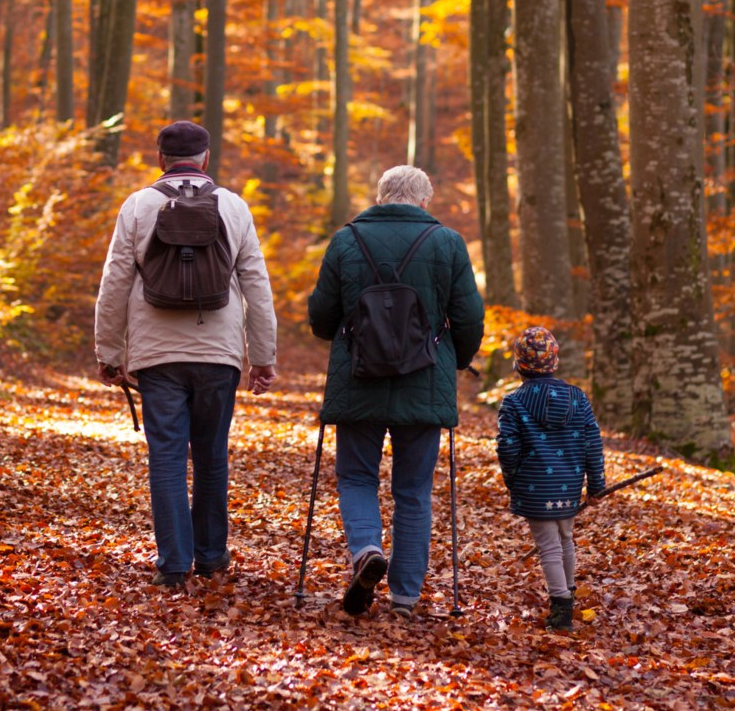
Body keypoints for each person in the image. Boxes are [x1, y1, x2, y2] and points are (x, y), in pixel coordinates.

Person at [95, 120, 278, 588]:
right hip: (218, 353)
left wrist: (109, 351)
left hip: (157, 356)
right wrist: (262, 355)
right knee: (212, 455)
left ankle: (174, 565)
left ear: (160, 159)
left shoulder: (138, 206)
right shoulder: (234, 208)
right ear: (205, 159)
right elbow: (256, 284)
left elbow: (115, 281)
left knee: (167, 458)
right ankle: (212, 556)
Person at [307, 165, 484, 617]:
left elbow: (322, 318)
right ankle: (404, 597)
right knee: (413, 489)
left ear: (381, 196)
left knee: (356, 476)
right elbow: (468, 318)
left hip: (358, 378)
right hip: (424, 381)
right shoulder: (447, 243)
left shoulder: (346, 241)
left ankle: (366, 550)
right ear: (424, 201)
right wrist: (456, 361)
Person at [495, 326, 606, 631]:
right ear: (554, 363)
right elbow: (591, 442)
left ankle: (561, 609)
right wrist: (596, 484)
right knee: (565, 538)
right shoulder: (577, 398)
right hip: (568, 485)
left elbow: (508, 447)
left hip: (535, 485)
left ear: (520, 366)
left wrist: (513, 480)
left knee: (548, 546)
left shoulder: (514, 402)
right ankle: (567, 594)